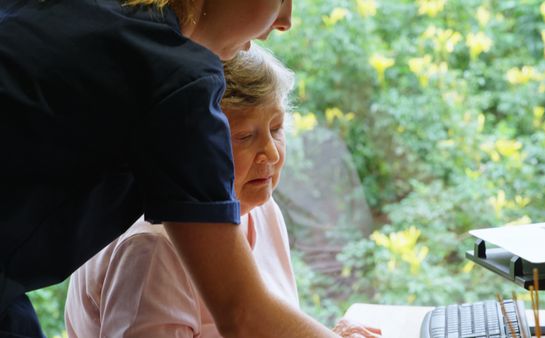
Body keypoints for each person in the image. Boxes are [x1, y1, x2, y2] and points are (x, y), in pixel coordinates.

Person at [0, 0, 364, 337]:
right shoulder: (177, 78)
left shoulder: (97, 16)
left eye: (276, 129)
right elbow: (242, 313)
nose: (285, 20)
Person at [64, 45, 381, 338]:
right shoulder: (152, 245)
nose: (270, 154)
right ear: (195, 141)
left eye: (276, 128)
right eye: (245, 136)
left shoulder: (261, 209)